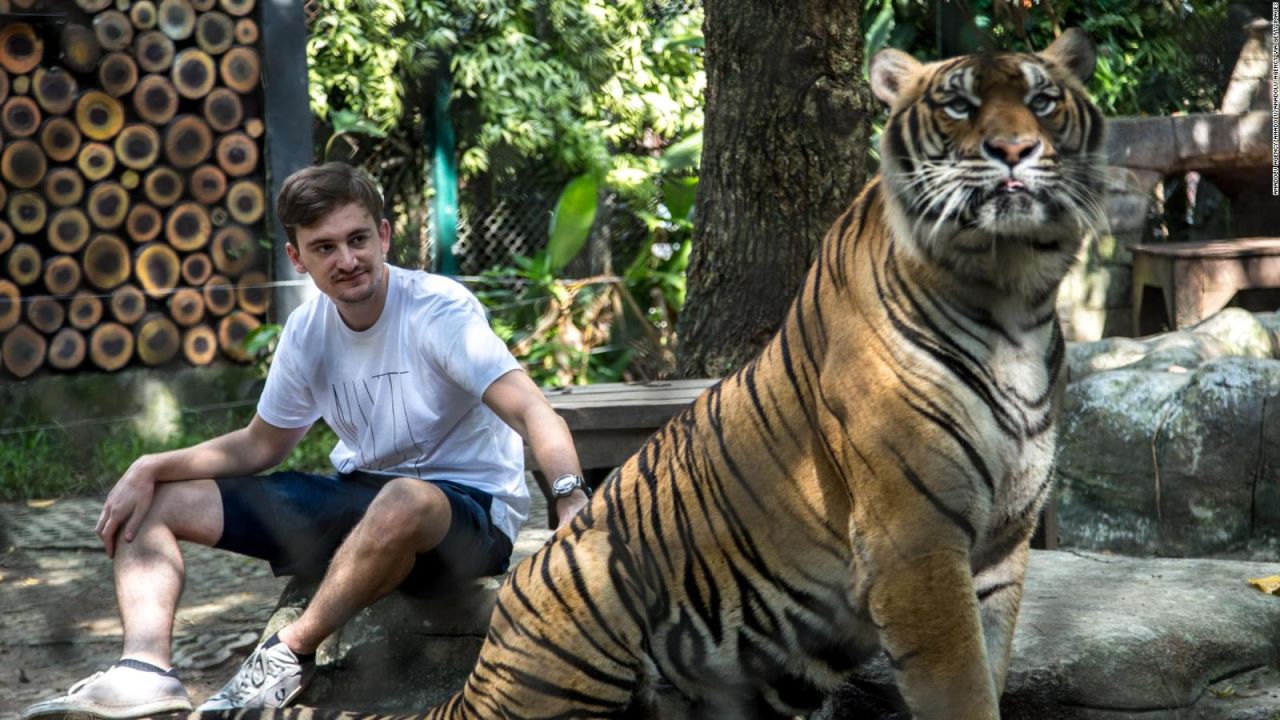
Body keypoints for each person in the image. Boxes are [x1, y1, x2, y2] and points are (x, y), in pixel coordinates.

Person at [21, 162, 591, 718]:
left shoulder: (438, 310)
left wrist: (569, 498)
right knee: (155, 503)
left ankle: (287, 653)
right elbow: (260, 445)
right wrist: (152, 465)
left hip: (467, 516)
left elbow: (531, 410)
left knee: (403, 500)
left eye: (358, 239)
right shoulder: (307, 330)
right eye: (324, 248)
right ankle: (144, 672)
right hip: (361, 498)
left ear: (384, 235)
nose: (347, 260)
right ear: (297, 257)